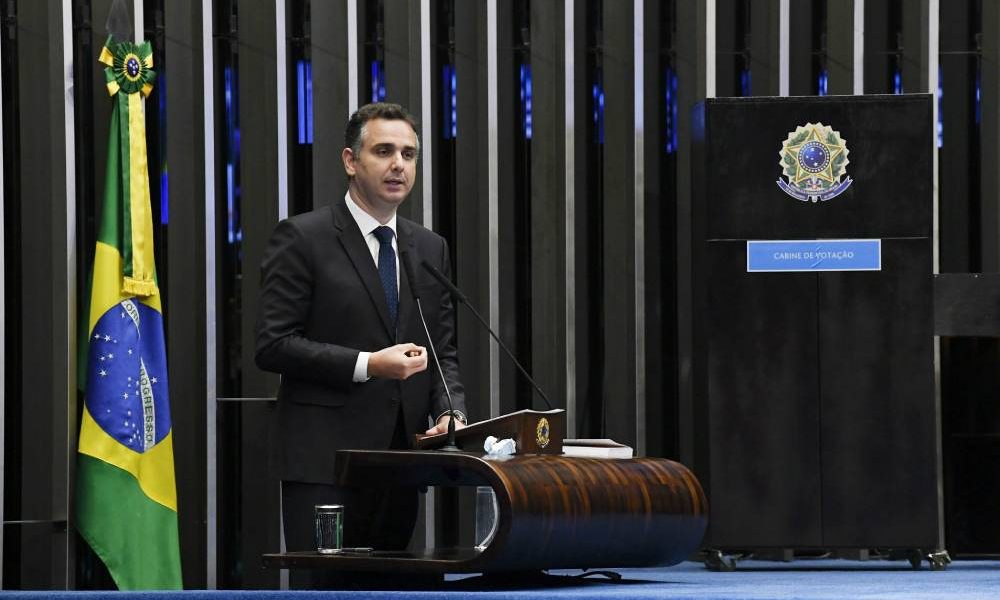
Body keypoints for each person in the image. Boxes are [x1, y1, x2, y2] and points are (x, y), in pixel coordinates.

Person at [254, 102, 467, 585]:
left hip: (401, 462)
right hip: (326, 464)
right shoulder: (303, 237)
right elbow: (273, 345)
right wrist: (369, 364)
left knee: (396, 592)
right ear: (351, 161)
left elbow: (441, 349)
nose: (399, 164)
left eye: (409, 154)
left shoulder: (429, 247)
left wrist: (449, 409)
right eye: (384, 151)